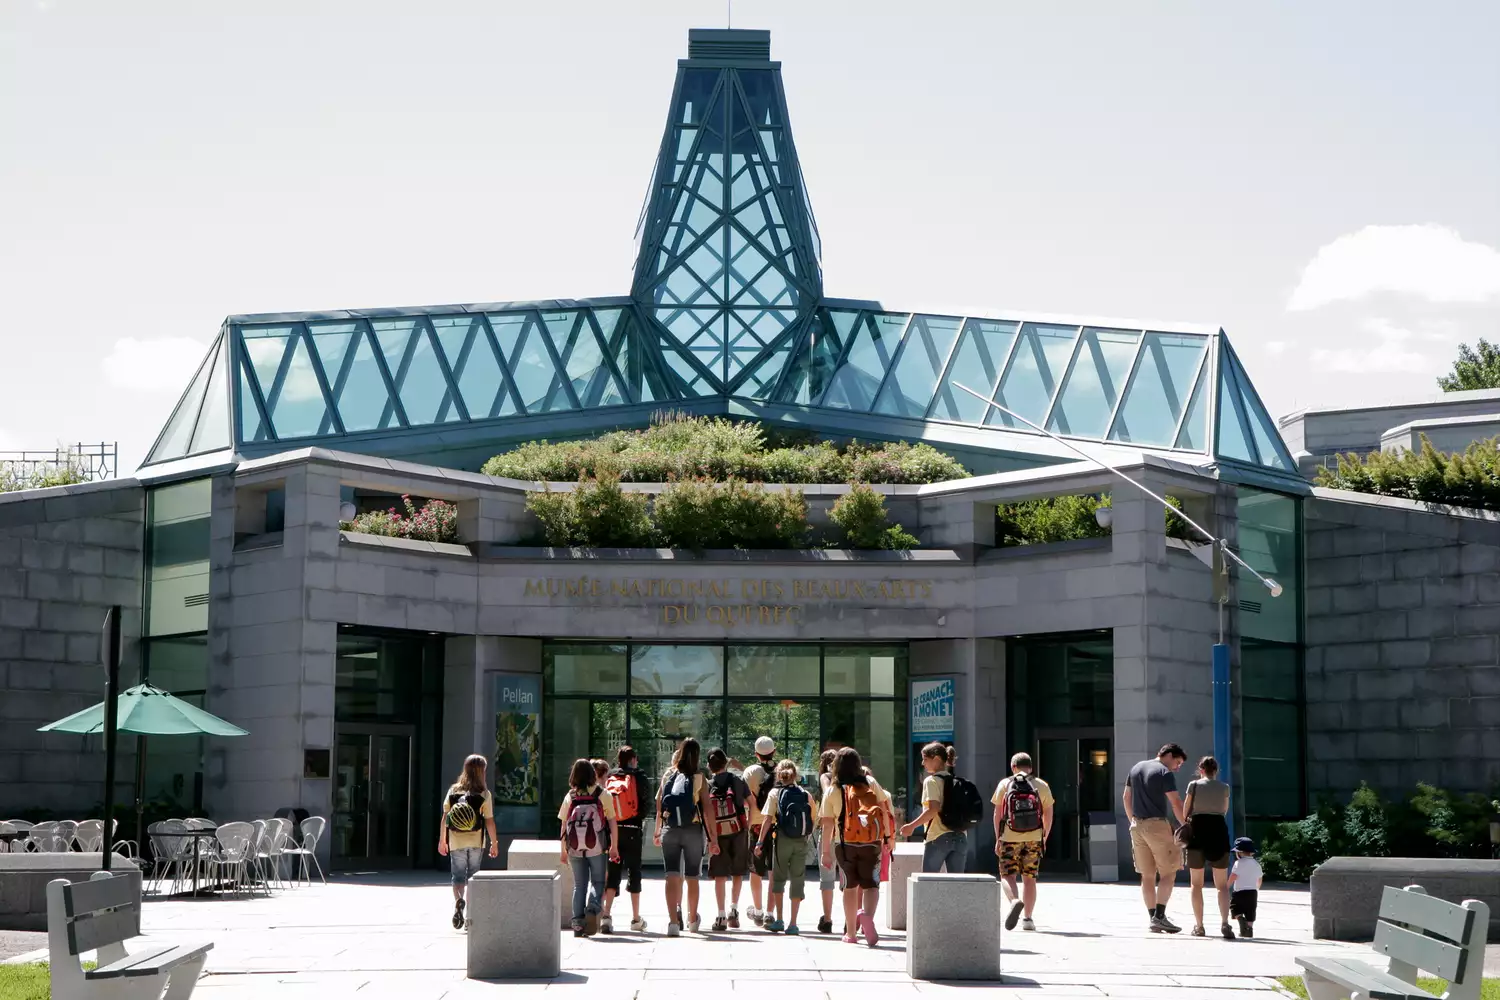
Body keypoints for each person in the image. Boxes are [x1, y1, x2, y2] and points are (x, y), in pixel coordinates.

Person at [820, 746, 888, 947]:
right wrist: (888, 838)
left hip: (845, 845)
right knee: (871, 885)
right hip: (872, 843)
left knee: (849, 887)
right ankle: (867, 916)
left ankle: (851, 933)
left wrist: (825, 852)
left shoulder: (833, 790)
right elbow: (883, 810)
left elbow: (827, 824)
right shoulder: (870, 783)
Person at [655, 737, 718, 937]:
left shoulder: (668, 774)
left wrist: (658, 830)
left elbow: (659, 804)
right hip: (693, 830)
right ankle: (692, 920)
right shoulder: (700, 778)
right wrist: (714, 839)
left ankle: (673, 923)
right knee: (692, 877)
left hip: (670, 829)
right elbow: (708, 810)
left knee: (671, 875)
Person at [1122, 742, 1188, 934]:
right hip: (1157, 825)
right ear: (1168, 754)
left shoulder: (1136, 768)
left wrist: (1132, 821)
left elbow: (1126, 797)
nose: (1177, 767)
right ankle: (1159, 916)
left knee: (1147, 874)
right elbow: (1175, 802)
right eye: (1177, 762)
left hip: (1137, 826)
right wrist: (1185, 824)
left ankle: (1153, 917)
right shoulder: (1163, 772)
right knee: (1170, 871)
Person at [991, 752, 1054, 931]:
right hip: (1034, 838)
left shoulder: (1005, 784)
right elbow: (1048, 814)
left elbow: (997, 814)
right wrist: (1044, 837)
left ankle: (1014, 901)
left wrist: (998, 838)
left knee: (1007, 875)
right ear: (1031, 767)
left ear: (1013, 767)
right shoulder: (1041, 785)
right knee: (1030, 879)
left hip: (1008, 837)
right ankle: (1027, 918)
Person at [559, 757, 621, 937]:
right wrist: (614, 846)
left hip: (574, 847)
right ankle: (593, 909)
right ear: (593, 774)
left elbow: (563, 826)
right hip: (597, 846)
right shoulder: (603, 794)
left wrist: (563, 850)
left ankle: (577, 924)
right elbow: (612, 823)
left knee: (579, 884)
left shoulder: (570, 796)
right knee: (598, 882)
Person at [756, 758, 818, 934]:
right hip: (801, 841)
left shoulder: (775, 794)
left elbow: (767, 819)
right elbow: (814, 818)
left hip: (782, 839)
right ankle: (793, 923)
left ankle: (780, 920)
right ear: (795, 775)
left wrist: (760, 842)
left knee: (779, 878)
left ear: (779, 775)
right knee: (797, 879)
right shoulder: (805, 794)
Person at [438, 753, 499, 931]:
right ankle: (470, 918)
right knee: (473, 877)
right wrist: (494, 843)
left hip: (456, 841)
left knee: (457, 876)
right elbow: (489, 821)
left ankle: (459, 902)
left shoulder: (454, 790)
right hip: (476, 841)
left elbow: (445, 817)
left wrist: (443, 840)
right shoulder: (484, 793)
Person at [1183, 756, 1234, 939]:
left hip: (1197, 834)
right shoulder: (1225, 788)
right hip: (1219, 834)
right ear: (1216, 770)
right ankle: (1225, 923)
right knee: (1222, 886)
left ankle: (1199, 926)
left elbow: (1185, 811)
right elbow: (1224, 811)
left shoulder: (1193, 786)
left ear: (1200, 769)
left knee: (1196, 884)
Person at [602, 746, 650, 933]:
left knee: (613, 871)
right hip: (633, 829)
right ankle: (636, 918)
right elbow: (646, 804)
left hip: (613, 830)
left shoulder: (611, 776)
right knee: (634, 871)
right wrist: (637, 817)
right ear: (633, 760)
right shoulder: (640, 777)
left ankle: (606, 916)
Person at [900, 742, 967, 873]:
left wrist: (911, 826)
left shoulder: (931, 781)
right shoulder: (958, 781)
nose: (922, 763)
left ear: (936, 759)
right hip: (961, 837)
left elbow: (933, 809)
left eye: (925, 759)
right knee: (957, 886)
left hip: (938, 837)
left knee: (928, 883)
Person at [706, 747, 751, 931]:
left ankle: (721, 915)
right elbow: (752, 804)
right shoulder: (738, 781)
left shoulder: (708, 785)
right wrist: (747, 823)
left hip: (717, 833)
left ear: (709, 766)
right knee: (738, 872)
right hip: (738, 831)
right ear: (726, 762)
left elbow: (705, 812)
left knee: (720, 874)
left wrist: (710, 838)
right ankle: (734, 910)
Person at [741, 736, 777, 927]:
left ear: (756, 754)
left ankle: (758, 910)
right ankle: (770, 913)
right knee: (772, 870)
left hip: (755, 825)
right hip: (776, 826)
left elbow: (745, 800)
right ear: (774, 752)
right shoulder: (782, 770)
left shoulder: (750, 772)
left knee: (756, 870)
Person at [815, 749, 839, 934]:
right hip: (848, 834)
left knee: (827, 878)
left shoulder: (826, 777)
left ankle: (828, 918)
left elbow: (826, 794)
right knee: (849, 879)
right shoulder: (851, 779)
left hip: (830, 831)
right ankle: (851, 919)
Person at [1228, 837, 1262, 939]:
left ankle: (1241, 920)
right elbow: (1259, 878)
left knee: (1235, 908)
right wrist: (1257, 888)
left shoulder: (1238, 863)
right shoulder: (1257, 864)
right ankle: (1249, 929)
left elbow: (1233, 876)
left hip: (1239, 892)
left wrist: (1226, 886)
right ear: (1251, 852)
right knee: (1250, 911)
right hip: (1252, 892)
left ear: (1239, 853)